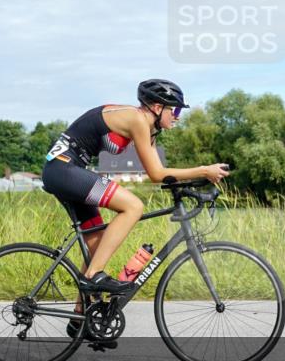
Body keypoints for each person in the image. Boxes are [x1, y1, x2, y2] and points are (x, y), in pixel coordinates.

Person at [41, 79, 230, 298]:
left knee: (99, 243)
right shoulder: (138, 119)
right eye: (175, 109)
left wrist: (194, 183)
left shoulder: (147, 127)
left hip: (67, 170)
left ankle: (81, 315)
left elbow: (159, 172)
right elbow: (157, 175)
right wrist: (204, 170)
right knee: (133, 206)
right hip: (63, 168)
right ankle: (94, 275)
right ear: (158, 108)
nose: (177, 115)